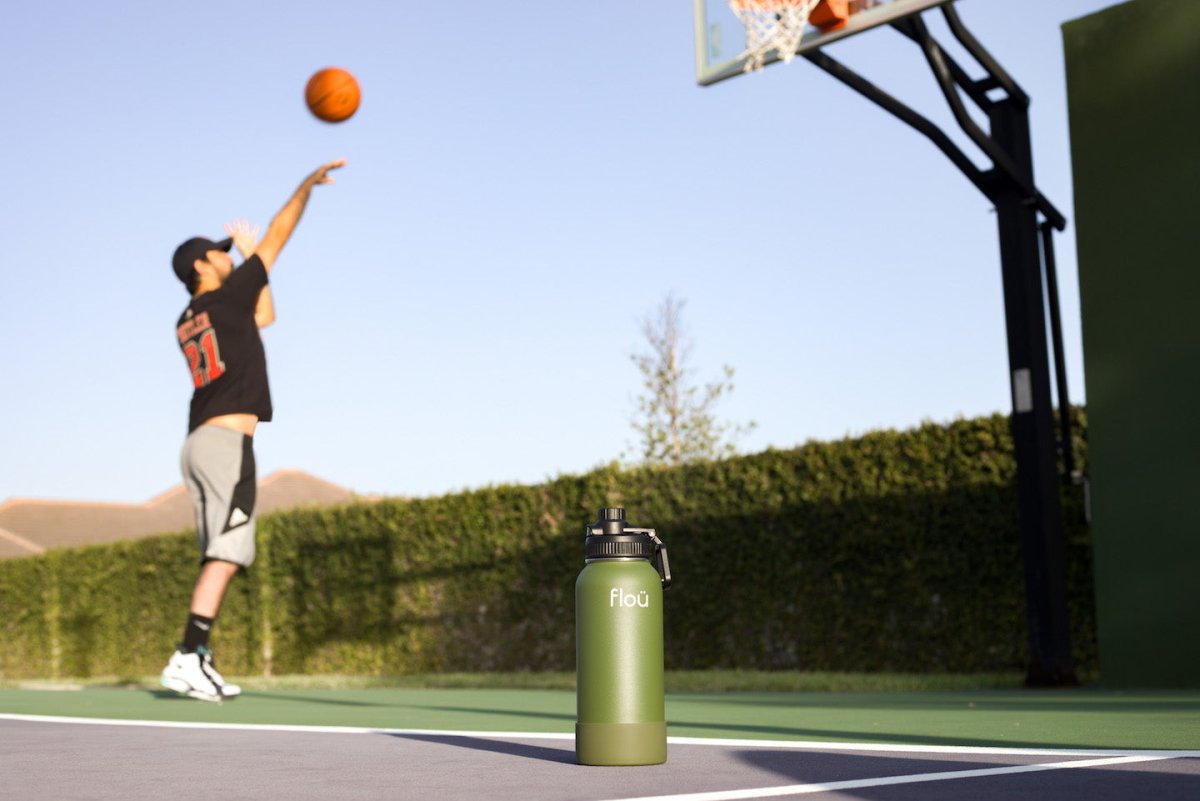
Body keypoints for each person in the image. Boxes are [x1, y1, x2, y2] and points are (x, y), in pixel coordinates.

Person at [160, 159, 345, 702]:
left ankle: (199, 656)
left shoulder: (191, 315)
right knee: (229, 552)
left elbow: (264, 317)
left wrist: (245, 261)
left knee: (220, 550)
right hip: (225, 442)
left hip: (197, 442)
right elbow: (279, 234)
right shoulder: (223, 297)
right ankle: (187, 654)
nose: (227, 251)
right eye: (219, 249)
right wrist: (304, 187)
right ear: (203, 263)